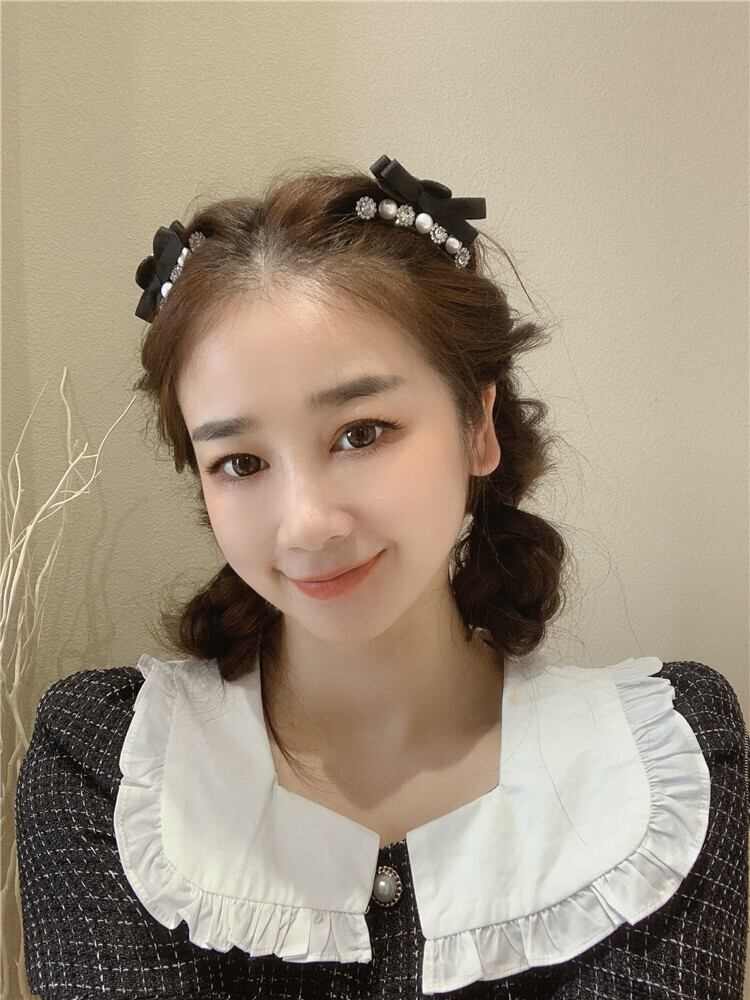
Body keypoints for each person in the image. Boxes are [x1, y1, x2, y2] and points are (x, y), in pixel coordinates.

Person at [15, 154, 749, 999]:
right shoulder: (112, 768)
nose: (306, 524)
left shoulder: (662, 771)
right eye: (241, 462)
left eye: (360, 433)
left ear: (478, 426)